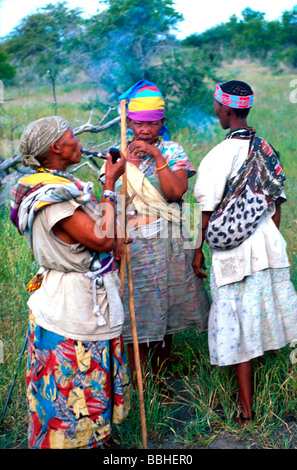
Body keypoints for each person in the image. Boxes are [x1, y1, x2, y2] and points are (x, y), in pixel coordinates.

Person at [10, 116, 131, 449]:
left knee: (84, 381)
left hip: (73, 297)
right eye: (71, 137)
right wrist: (109, 186)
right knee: (71, 382)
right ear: (56, 148)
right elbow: (102, 239)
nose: (78, 140)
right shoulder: (53, 197)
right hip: (71, 306)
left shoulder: (52, 185)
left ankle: (94, 440)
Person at [193, 80, 297, 426]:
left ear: (224, 109)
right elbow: (276, 207)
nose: (216, 110)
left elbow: (206, 216)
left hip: (233, 254)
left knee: (238, 324)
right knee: (267, 315)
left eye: (216, 105)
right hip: (267, 246)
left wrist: (198, 254)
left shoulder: (216, 157)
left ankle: (246, 410)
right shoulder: (267, 151)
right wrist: (266, 238)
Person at [102, 80, 210, 384]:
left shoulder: (173, 150)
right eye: (139, 123)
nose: (145, 129)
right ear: (130, 122)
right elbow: (109, 202)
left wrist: (156, 156)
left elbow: (175, 193)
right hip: (130, 246)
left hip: (167, 245)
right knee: (134, 319)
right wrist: (113, 242)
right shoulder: (117, 155)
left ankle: (162, 383)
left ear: (161, 123)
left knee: (164, 316)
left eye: (152, 123)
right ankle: (138, 385)